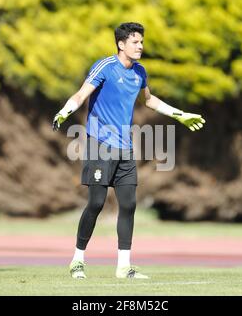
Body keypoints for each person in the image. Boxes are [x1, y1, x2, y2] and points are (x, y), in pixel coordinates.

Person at [52, 22, 205, 279]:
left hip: (125, 148)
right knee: (97, 203)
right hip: (99, 144)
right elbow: (81, 95)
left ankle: (124, 267)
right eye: (135, 42)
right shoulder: (105, 67)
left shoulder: (140, 72)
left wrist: (180, 115)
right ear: (121, 44)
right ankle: (77, 260)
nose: (141, 46)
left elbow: (149, 100)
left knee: (129, 204)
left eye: (142, 42)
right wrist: (65, 111)